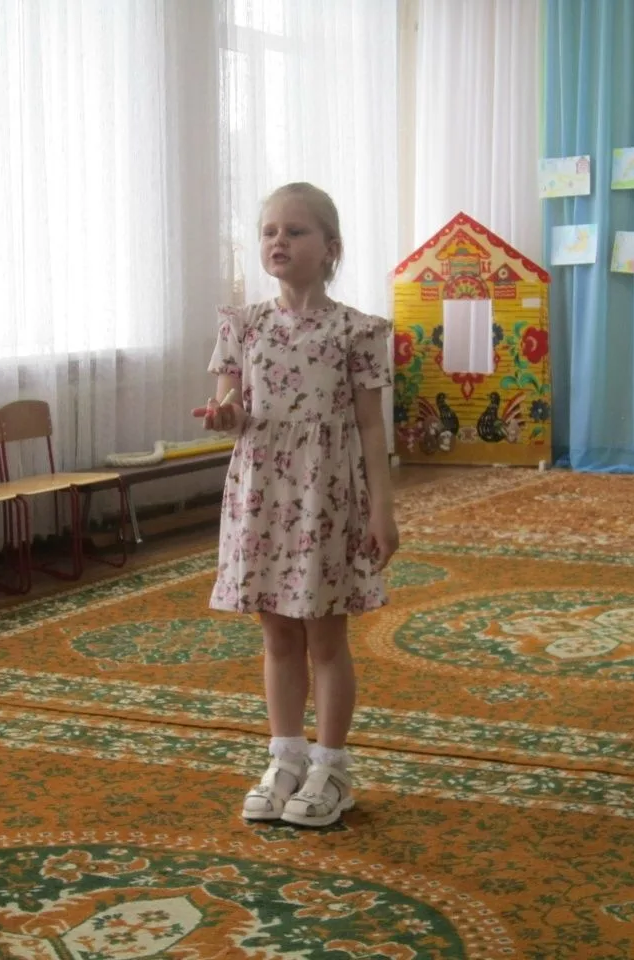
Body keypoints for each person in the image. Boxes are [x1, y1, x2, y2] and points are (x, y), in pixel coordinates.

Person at [192, 182, 399, 828]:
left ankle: (331, 768)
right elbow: (232, 406)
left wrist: (383, 510)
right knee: (278, 633)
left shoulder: (356, 331)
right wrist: (224, 415)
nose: (278, 241)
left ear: (330, 248)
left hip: (325, 498)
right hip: (263, 494)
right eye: (269, 231)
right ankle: (285, 758)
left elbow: (371, 428)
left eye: (295, 231)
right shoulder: (243, 325)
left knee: (325, 636)